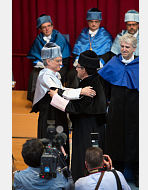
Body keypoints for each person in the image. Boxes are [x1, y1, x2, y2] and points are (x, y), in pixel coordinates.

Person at [31, 42, 96, 167]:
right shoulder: (44, 76)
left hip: (58, 115)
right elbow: (60, 93)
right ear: (48, 61)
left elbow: (62, 91)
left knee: (62, 144)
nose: (62, 63)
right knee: (52, 148)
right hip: (50, 119)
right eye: (58, 61)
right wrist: (81, 91)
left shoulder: (54, 75)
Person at [48, 50, 107, 182]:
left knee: (85, 158)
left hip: (88, 128)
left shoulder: (90, 86)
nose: (76, 68)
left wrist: (55, 97)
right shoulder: (95, 79)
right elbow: (77, 95)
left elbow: (75, 108)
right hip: (93, 126)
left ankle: (83, 183)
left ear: (84, 70)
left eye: (78, 66)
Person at [98, 33, 139, 187]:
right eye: (122, 46)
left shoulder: (140, 64)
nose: (124, 49)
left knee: (136, 141)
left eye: (127, 47)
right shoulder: (113, 63)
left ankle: (138, 175)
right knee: (116, 142)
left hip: (136, 112)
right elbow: (106, 87)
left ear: (134, 48)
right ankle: (117, 175)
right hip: (116, 111)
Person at [27, 14, 72, 102]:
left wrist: (57, 66)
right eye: (44, 27)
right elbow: (33, 57)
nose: (47, 29)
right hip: (43, 67)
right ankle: (36, 100)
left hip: (58, 66)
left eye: (49, 26)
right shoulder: (38, 40)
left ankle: (56, 99)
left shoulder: (60, 38)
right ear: (40, 29)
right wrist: (38, 63)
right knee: (34, 74)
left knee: (55, 75)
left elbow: (65, 58)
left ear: (52, 26)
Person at [67, 7, 113, 88]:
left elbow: (106, 55)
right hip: (82, 65)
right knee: (72, 73)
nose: (94, 24)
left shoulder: (105, 36)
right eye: (91, 21)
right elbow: (76, 53)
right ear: (87, 22)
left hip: (97, 66)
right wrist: (78, 61)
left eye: (96, 21)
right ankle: (76, 96)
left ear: (100, 21)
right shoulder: (83, 35)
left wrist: (97, 64)